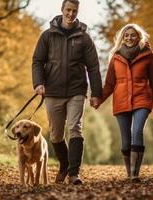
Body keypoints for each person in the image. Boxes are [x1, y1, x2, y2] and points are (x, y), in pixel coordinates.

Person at [32, 0, 102, 185]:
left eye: (74, 10)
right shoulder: (47, 36)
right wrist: (38, 83)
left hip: (76, 91)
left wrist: (96, 93)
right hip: (52, 91)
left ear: (78, 11)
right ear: (62, 10)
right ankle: (64, 164)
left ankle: (74, 173)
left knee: (74, 128)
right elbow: (37, 61)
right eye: (68, 10)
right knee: (55, 134)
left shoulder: (84, 38)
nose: (71, 14)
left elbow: (94, 67)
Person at [96, 24, 153, 182]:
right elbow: (109, 84)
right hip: (121, 100)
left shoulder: (148, 55)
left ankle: (135, 174)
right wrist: (99, 99)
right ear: (122, 37)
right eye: (126, 35)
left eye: (133, 35)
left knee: (137, 131)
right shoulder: (115, 57)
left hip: (142, 99)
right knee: (125, 139)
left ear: (139, 37)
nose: (129, 38)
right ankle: (128, 173)